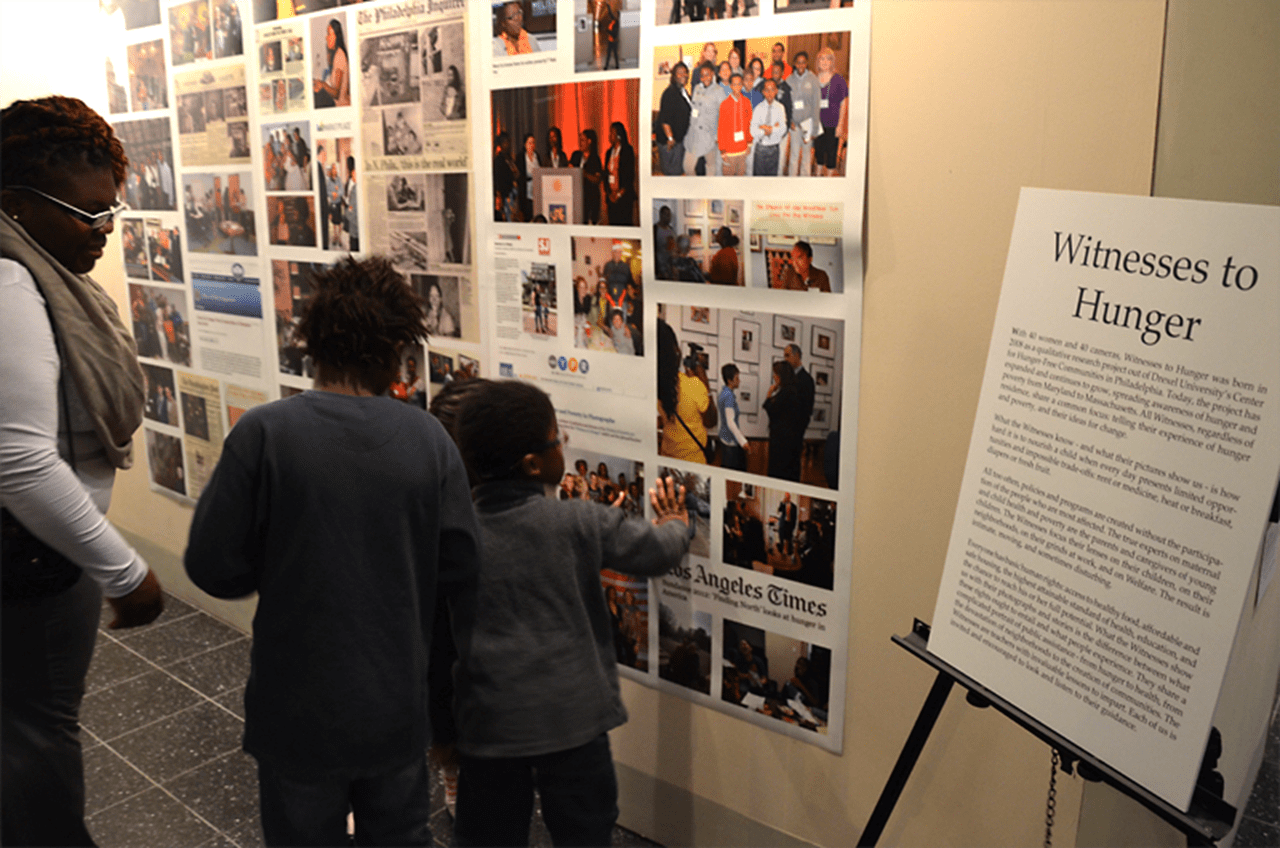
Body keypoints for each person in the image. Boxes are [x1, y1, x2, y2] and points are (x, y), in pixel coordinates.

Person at [185, 256, 480, 845]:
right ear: (398, 346)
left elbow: (211, 566)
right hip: (394, 701)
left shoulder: (264, 433)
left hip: (295, 707)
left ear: (311, 342)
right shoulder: (429, 440)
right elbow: (460, 566)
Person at [1, 95, 165, 846]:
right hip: (31, 557)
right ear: (15, 204)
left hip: (46, 550)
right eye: (85, 213)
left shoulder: (41, 276)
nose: (103, 232)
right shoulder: (11, 288)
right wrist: (125, 570)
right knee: (37, 735)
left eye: (112, 213)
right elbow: (21, 461)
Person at [450, 379, 689, 848]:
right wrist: (676, 523)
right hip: (575, 724)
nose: (564, 444)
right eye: (557, 437)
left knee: (487, 834)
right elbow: (656, 552)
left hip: (490, 725)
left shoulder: (458, 533)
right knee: (586, 831)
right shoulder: (578, 521)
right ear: (534, 463)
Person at [656, 319, 712, 463]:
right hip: (693, 462)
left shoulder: (654, 388)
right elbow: (711, 420)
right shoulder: (693, 385)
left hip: (667, 459)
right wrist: (703, 379)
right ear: (675, 350)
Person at [763, 359, 805, 481]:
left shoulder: (787, 392)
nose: (774, 377)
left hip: (782, 444)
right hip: (788, 442)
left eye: (775, 374)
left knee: (780, 474)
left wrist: (769, 394)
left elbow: (771, 409)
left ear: (781, 376)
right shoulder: (791, 391)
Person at [684, 62, 725, 176]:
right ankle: (696, 189)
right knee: (688, 167)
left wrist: (718, 136)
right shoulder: (697, 88)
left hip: (709, 135)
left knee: (711, 167)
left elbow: (723, 115)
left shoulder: (719, 91)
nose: (705, 78)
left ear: (712, 74)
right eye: (702, 75)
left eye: (708, 74)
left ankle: (707, 191)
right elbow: (694, 108)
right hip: (694, 134)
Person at [814, 46, 848, 177]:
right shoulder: (814, 79)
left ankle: (828, 183)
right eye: (822, 59)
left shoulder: (838, 80)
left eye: (828, 59)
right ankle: (817, 179)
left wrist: (840, 125)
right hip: (818, 124)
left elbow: (843, 103)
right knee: (819, 153)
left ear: (832, 62)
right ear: (818, 61)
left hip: (833, 124)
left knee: (831, 154)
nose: (824, 62)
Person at [786, 51, 819, 177]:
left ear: (806, 63)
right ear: (795, 64)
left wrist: (814, 128)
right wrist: (789, 121)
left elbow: (816, 104)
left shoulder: (813, 79)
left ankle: (805, 184)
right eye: (798, 62)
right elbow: (786, 104)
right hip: (794, 125)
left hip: (808, 125)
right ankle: (792, 183)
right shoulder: (789, 80)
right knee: (794, 155)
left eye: (803, 62)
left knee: (806, 156)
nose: (801, 65)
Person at [657, 62, 692, 176]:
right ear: (674, 76)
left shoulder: (683, 91)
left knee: (678, 172)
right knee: (672, 174)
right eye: (680, 73)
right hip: (671, 142)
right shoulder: (670, 93)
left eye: (685, 72)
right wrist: (670, 138)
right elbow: (665, 118)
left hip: (680, 140)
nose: (683, 75)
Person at [751, 78, 788, 176]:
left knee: (771, 180)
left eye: (772, 89)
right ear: (763, 92)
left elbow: (783, 129)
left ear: (776, 91)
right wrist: (767, 131)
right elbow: (753, 131)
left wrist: (767, 128)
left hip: (774, 149)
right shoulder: (758, 108)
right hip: (760, 148)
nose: (770, 93)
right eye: (767, 90)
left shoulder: (780, 108)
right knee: (758, 180)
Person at [718, 72, 752, 176]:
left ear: (742, 85)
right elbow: (721, 128)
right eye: (734, 84)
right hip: (729, 150)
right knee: (728, 181)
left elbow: (749, 123)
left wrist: (749, 142)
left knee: (741, 177)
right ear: (731, 86)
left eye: (739, 84)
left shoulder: (746, 102)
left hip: (743, 148)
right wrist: (722, 150)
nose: (737, 87)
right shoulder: (725, 104)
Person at [313, 18, 350, 108]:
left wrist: (323, 85)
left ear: (336, 37)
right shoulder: (335, 54)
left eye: (329, 34)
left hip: (340, 105)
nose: (326, 37)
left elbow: (336, 94)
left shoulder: (339, 56)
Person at [603, 122, 635, 226]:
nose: (609, 136)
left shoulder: (627, 151)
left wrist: (619, 194)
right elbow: (606, 174)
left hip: (624, 197)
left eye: (611, 133)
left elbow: (629, 175)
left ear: (618, 135)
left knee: (624, 226)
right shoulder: (609, 152)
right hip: (611, 197)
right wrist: (609, 193)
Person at [718, 364, 748, 470]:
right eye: (737, 378)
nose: (739, 381)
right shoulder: (728, 396)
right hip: (730, 443)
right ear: (730, 381)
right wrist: (743, 442)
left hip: (725, 440)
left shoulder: (724, 393)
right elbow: (730, 422)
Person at [570, 129, 603, 225]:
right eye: (580, 140)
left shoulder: (595, 159)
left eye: (583, 140)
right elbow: (569, 169)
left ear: (589, 141)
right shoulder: (576, 155)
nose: (580, 143)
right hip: (577, 198)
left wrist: (584, 174)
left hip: (591, 198)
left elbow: (597, 179)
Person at [518, 133, 539, 222]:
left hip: (537, 193)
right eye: (529, 143)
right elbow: (520, 176)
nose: (532, 145)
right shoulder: (521, 157)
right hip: (526, 193)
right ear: (525, 145)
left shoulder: (536, 156)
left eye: (533, 143)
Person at [772, 492, 798, 557]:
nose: (787, 498)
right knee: (781, 539)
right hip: (783, 524)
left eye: (788, 496)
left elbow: (795, 518)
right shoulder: (782, 504)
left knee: (788, 540)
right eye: (786, 496)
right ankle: (781, 554)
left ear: (790, 497)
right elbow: (778, 510)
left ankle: (788, 554)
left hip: (790, 525)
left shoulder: (794, 506)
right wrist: (782, 503)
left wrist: (793, 527)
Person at [316, 143, 330, 249]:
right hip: (321, 210)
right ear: (320, 153)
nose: (326, 156)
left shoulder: (320, 167)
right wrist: (326, 210)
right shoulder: (318, 168)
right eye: (325, 154)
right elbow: (321, 193)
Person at [343, 155, 359, 251]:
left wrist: (348, 209)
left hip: (354, 225)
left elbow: (351, 210)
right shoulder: (350, 179)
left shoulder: (355, 187)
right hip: (353, 221)